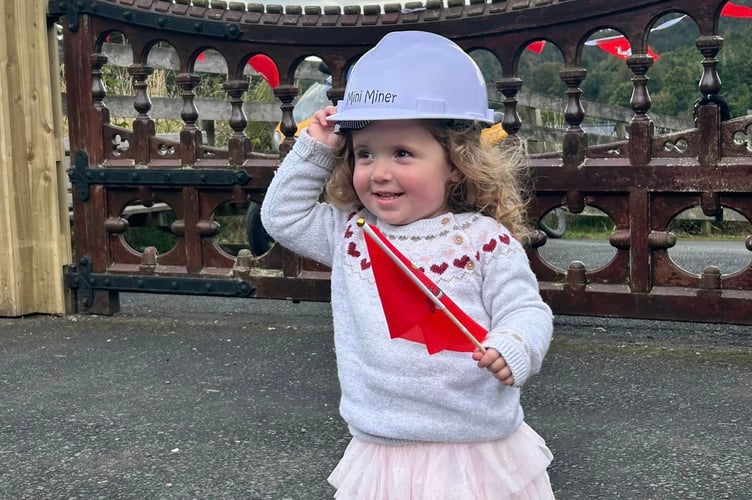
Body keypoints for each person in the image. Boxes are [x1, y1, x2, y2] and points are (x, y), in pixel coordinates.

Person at [261, 30, 555, 499]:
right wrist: (314, 147)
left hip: (474, 444)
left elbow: (528, 310)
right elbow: (282, 217)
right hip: (382, 445)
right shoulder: (351, 233)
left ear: (455, 162)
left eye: (403, 153)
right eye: (364, 154)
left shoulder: (483, 240)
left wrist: (514, 344)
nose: (379, 172)